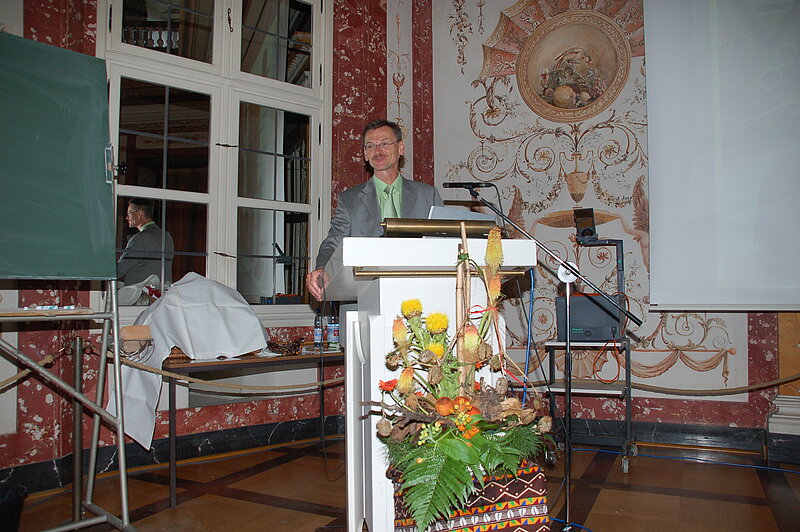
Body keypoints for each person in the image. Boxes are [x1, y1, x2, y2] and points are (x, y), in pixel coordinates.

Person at [305, 119, 443, 300]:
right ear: (365, 154)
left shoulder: (428, 195)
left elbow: (443, 243)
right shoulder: (349, 199)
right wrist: (322, 269)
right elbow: (333, 243)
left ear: (400, 148)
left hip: (420, 294)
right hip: (364, 295)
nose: (377, 151)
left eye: (385, 144)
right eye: (370, 146)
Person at [117, 198, 175, 285]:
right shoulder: (167, 237)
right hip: (163, 292)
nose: (126, 218)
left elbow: (119, 270)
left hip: (142, 292)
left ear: (139, 213)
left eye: (129, 214)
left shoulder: (139, 239)